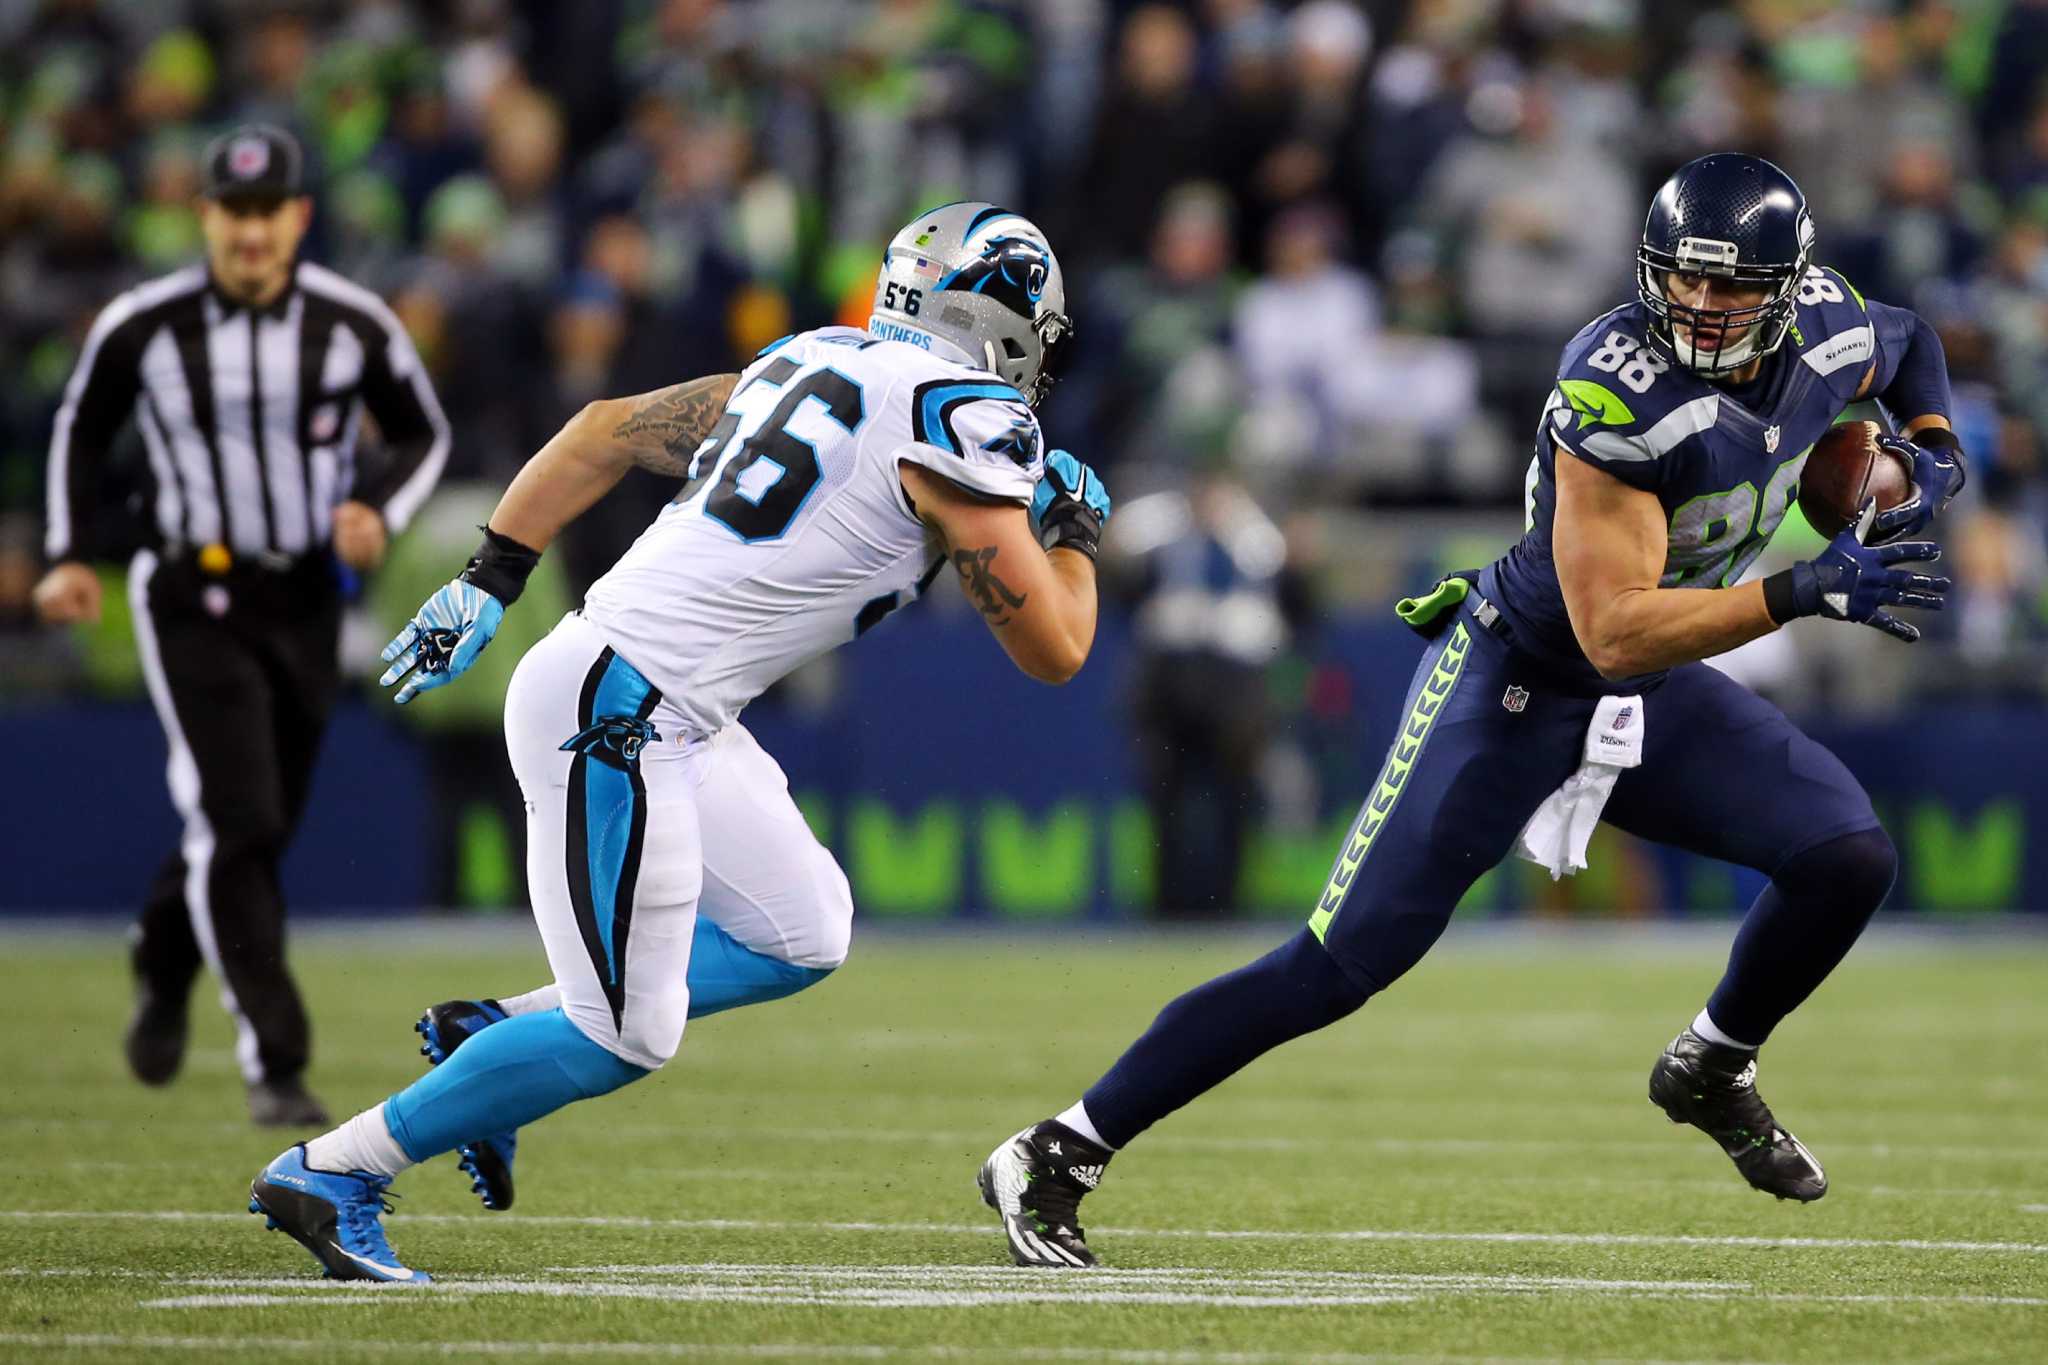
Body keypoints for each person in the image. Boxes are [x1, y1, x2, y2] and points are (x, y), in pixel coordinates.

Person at [979, 153, 1966, 1269]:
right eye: (1680, 282)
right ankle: (1056, 1149)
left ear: (1787, 289)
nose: (1698, 306)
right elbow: (1612, 631)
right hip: (1521, 678)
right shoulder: (1614, 385)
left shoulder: (1828, 329)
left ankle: (1710, 1062)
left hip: (1638, 681)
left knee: (1843, 854)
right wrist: (1800, 588)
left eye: (1730, 287)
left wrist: (1928, 450)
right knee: (1336, 965)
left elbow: (1909, 341)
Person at [246, 202, 1110, 1283]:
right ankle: (334, 1169)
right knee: (624, 1032)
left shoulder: (810, 354)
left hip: (661, 701)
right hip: (622, 709)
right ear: (1006, 318)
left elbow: (602, 427)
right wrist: (1072, 539)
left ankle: (492, 1033)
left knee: (803, 928)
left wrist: (490, 578)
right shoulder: (967, 416)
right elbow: (1055, 648)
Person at [31, 124, 449, 1127]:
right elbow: (80, 429)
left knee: (255, 825)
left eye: (270, 212)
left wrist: (375, 512)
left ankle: (161, 953)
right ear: (206, 214)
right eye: (235, 211)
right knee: (243, 818)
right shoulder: (145, 325)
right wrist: (67, 554)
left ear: (298, 216)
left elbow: (421, 432)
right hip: (190, 593)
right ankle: (276, 1057)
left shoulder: (349, 323)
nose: (252, 232)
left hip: (303, 594)